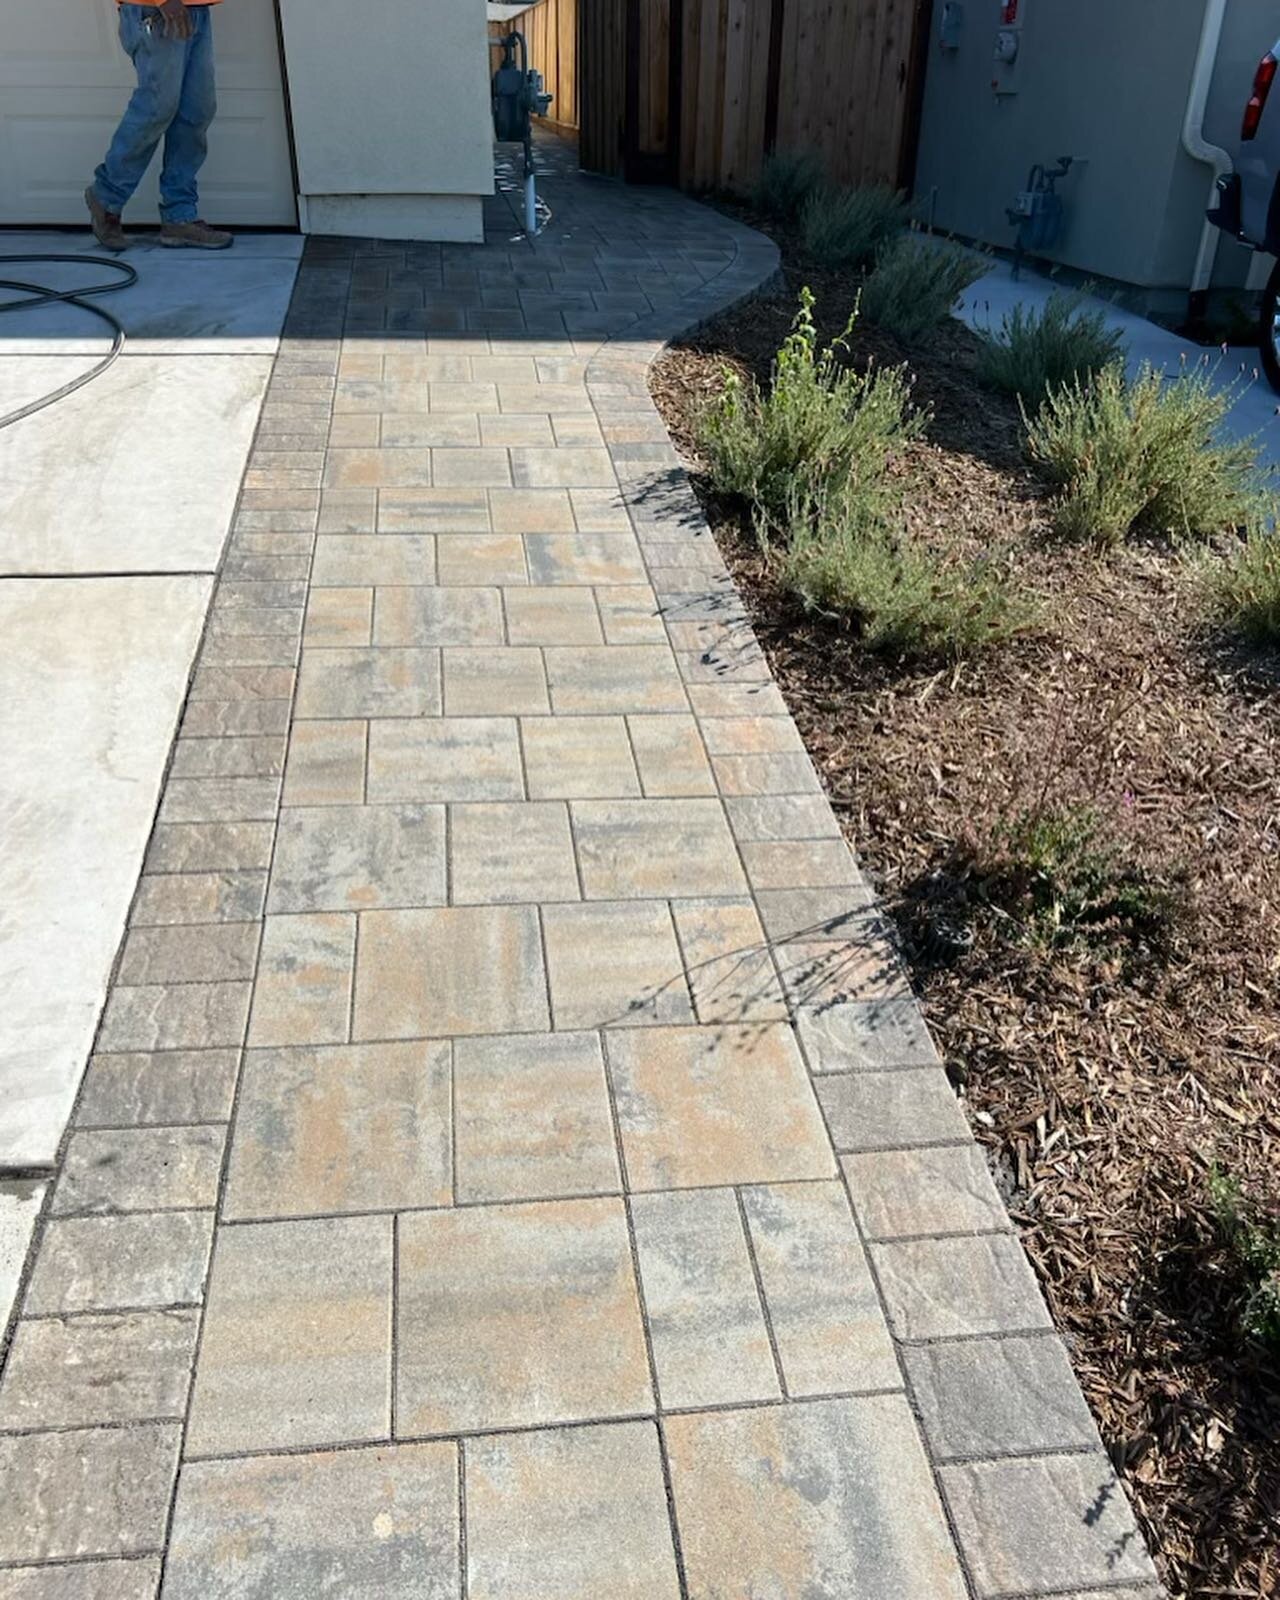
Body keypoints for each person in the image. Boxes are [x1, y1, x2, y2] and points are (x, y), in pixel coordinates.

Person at [85, 0, 232, 252]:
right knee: (155, 108)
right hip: (155, 11)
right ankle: (107, 198)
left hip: (195, 9)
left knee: (196, 111)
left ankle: (180, 218)